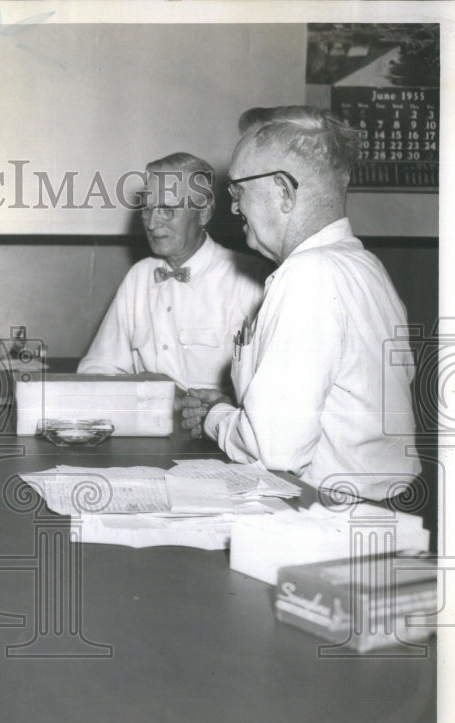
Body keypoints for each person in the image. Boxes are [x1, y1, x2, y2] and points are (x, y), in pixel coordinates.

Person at [181, 106, 421, 501]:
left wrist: (215, 418)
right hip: (380, 511)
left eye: (238, 191)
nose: (235, 208)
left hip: (328, 514)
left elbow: (275, 449)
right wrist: (241, 412)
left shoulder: (307, 275)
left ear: (283, 192)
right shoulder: (365, 266)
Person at [78, 153, 265, 392]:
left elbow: (268, 390)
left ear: (203, 213)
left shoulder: (250, 279)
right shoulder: (139, 277)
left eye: (167, 210)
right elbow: (96, 368)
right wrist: (144, 391)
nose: (152, 224)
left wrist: (218, 404)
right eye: (147, 209)